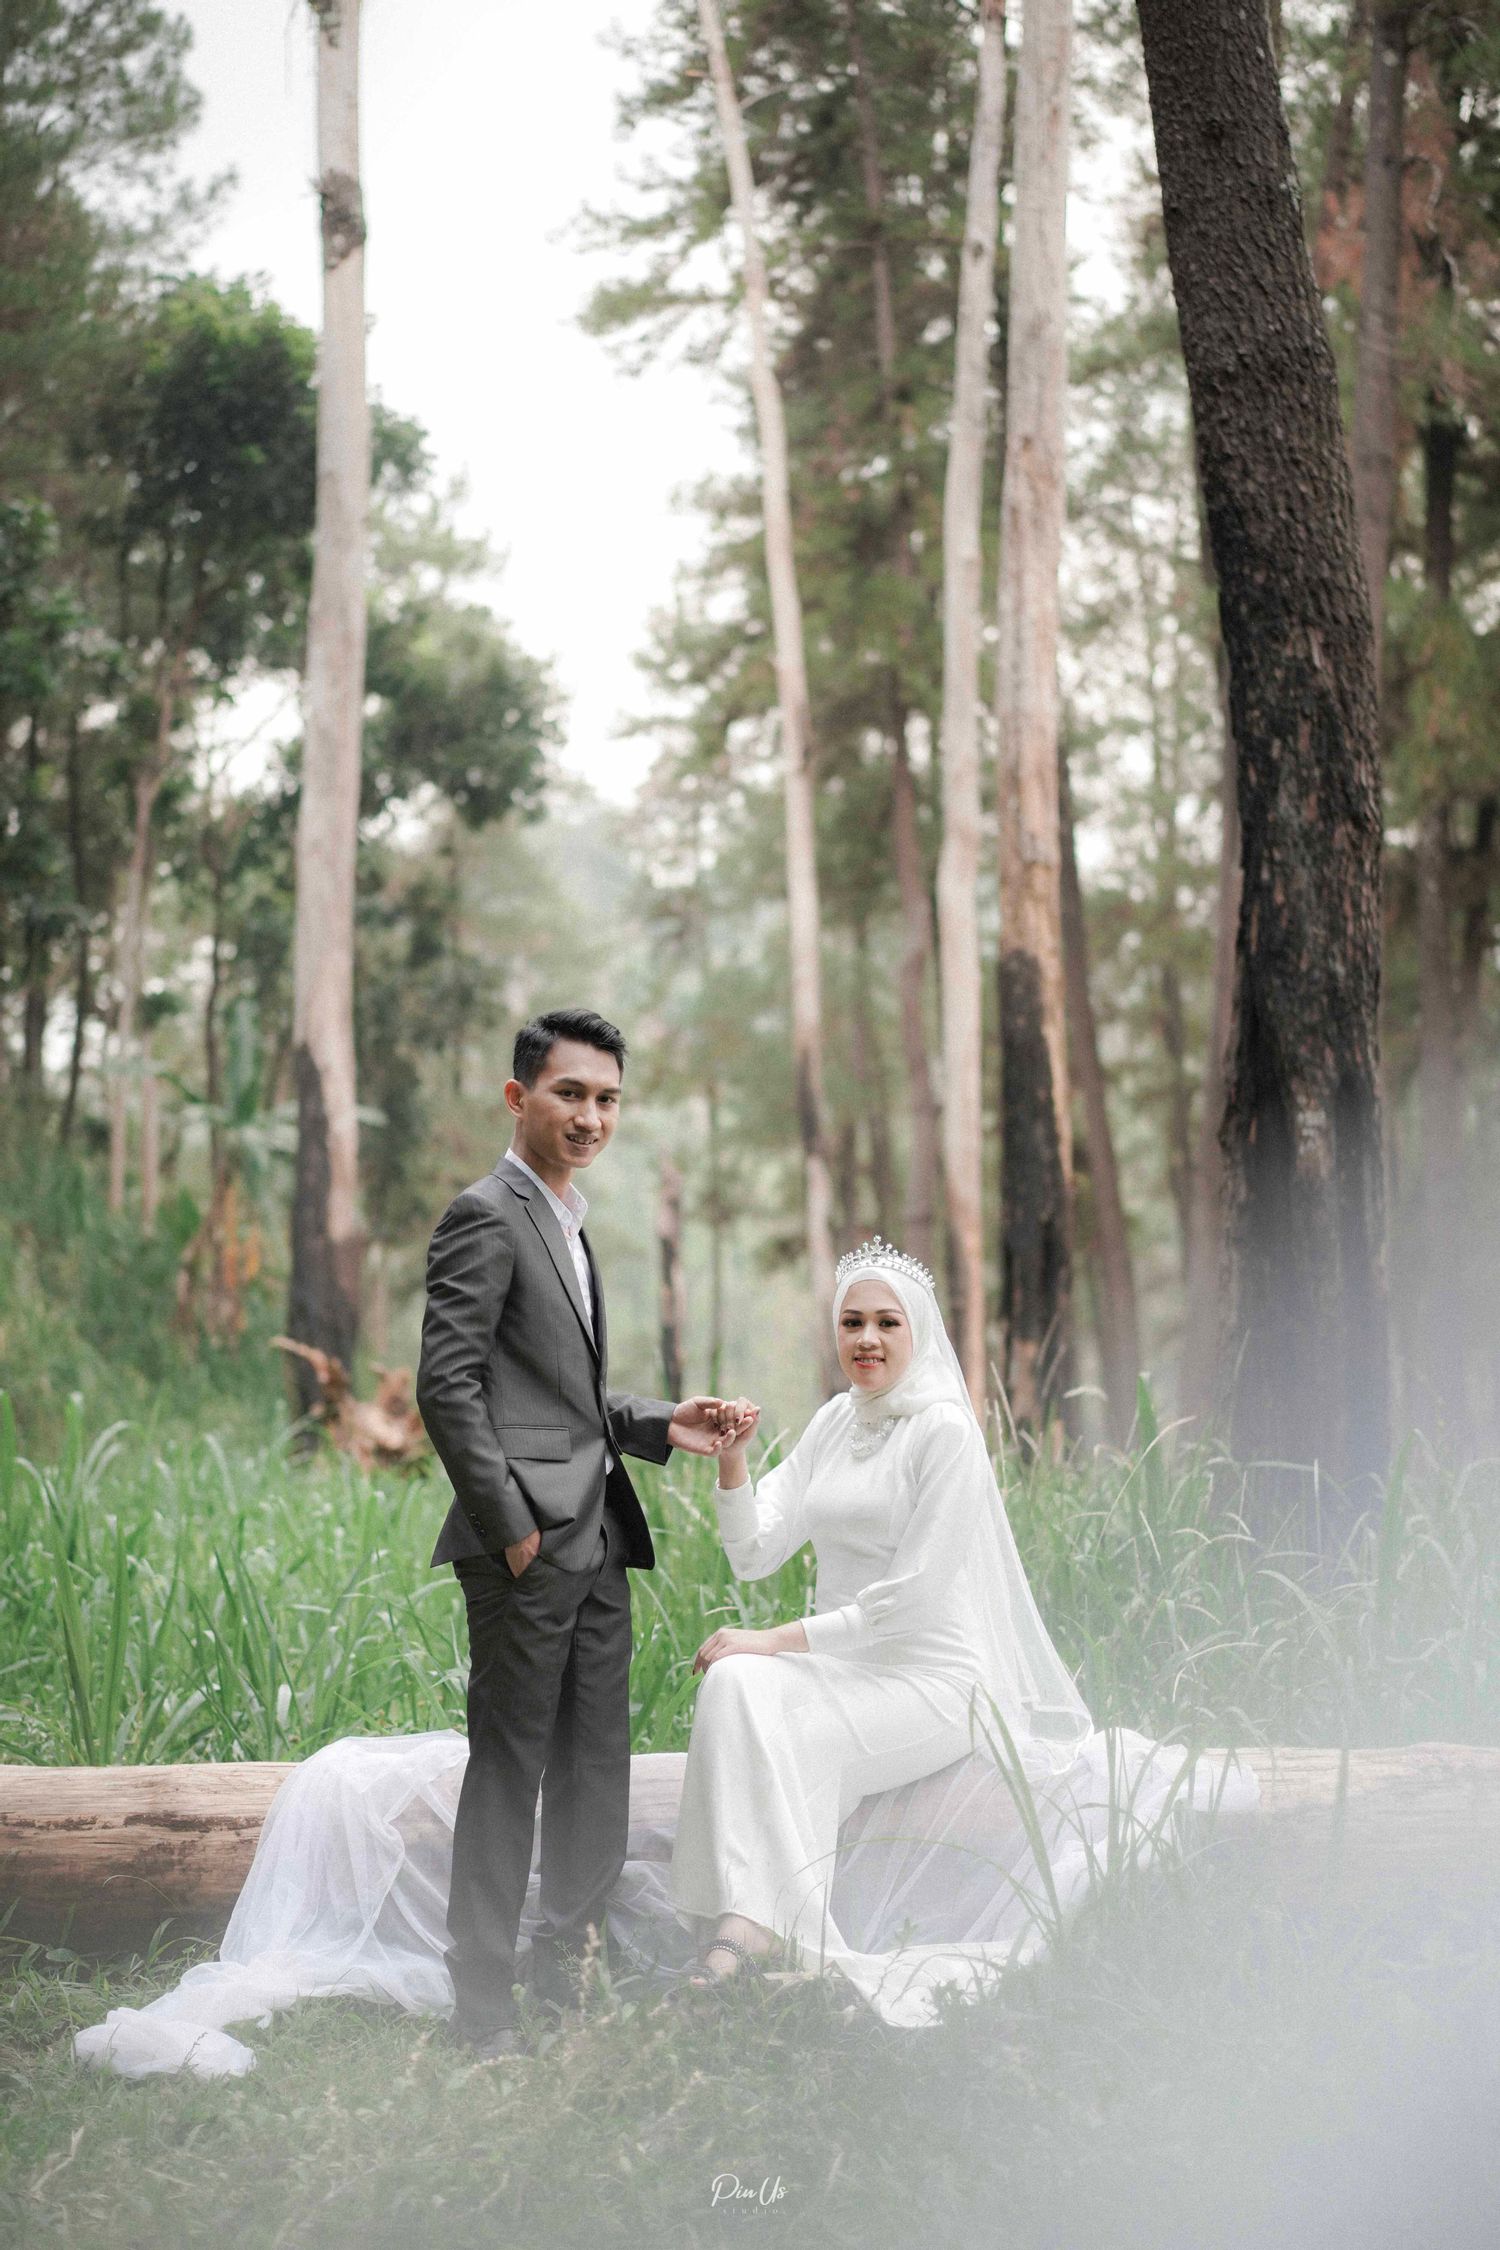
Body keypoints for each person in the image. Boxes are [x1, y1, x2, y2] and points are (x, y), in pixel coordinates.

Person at [664, 1235, 1257, 2024]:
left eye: (887, 1323)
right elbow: (753, 1554)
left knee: (773, 1702)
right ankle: (748, 1924)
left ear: (918, 1331)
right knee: (734, 1682)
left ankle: (755, 1939)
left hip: (934, 1682)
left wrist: (773, 1639)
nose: (867, 1339)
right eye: (851, 1322)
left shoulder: (945, 1433)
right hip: (843, 1668)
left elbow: (912, 1599)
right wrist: (733, 1464)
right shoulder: (835, 1422)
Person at [414, 1006, 748, 2058]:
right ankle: (482, 2013)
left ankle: (569, 1989)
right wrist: (511, 1528)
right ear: (520, 1097)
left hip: (600, 1542)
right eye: (570, 1093)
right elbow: (448, 1386)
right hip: (525, 1550)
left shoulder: (568, 1220)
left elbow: (558, 1398)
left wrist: (660, 1423)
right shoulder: (486, 1214)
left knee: (596, 1771)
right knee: (509, 1771)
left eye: (607, 1099)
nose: (590, 1115)